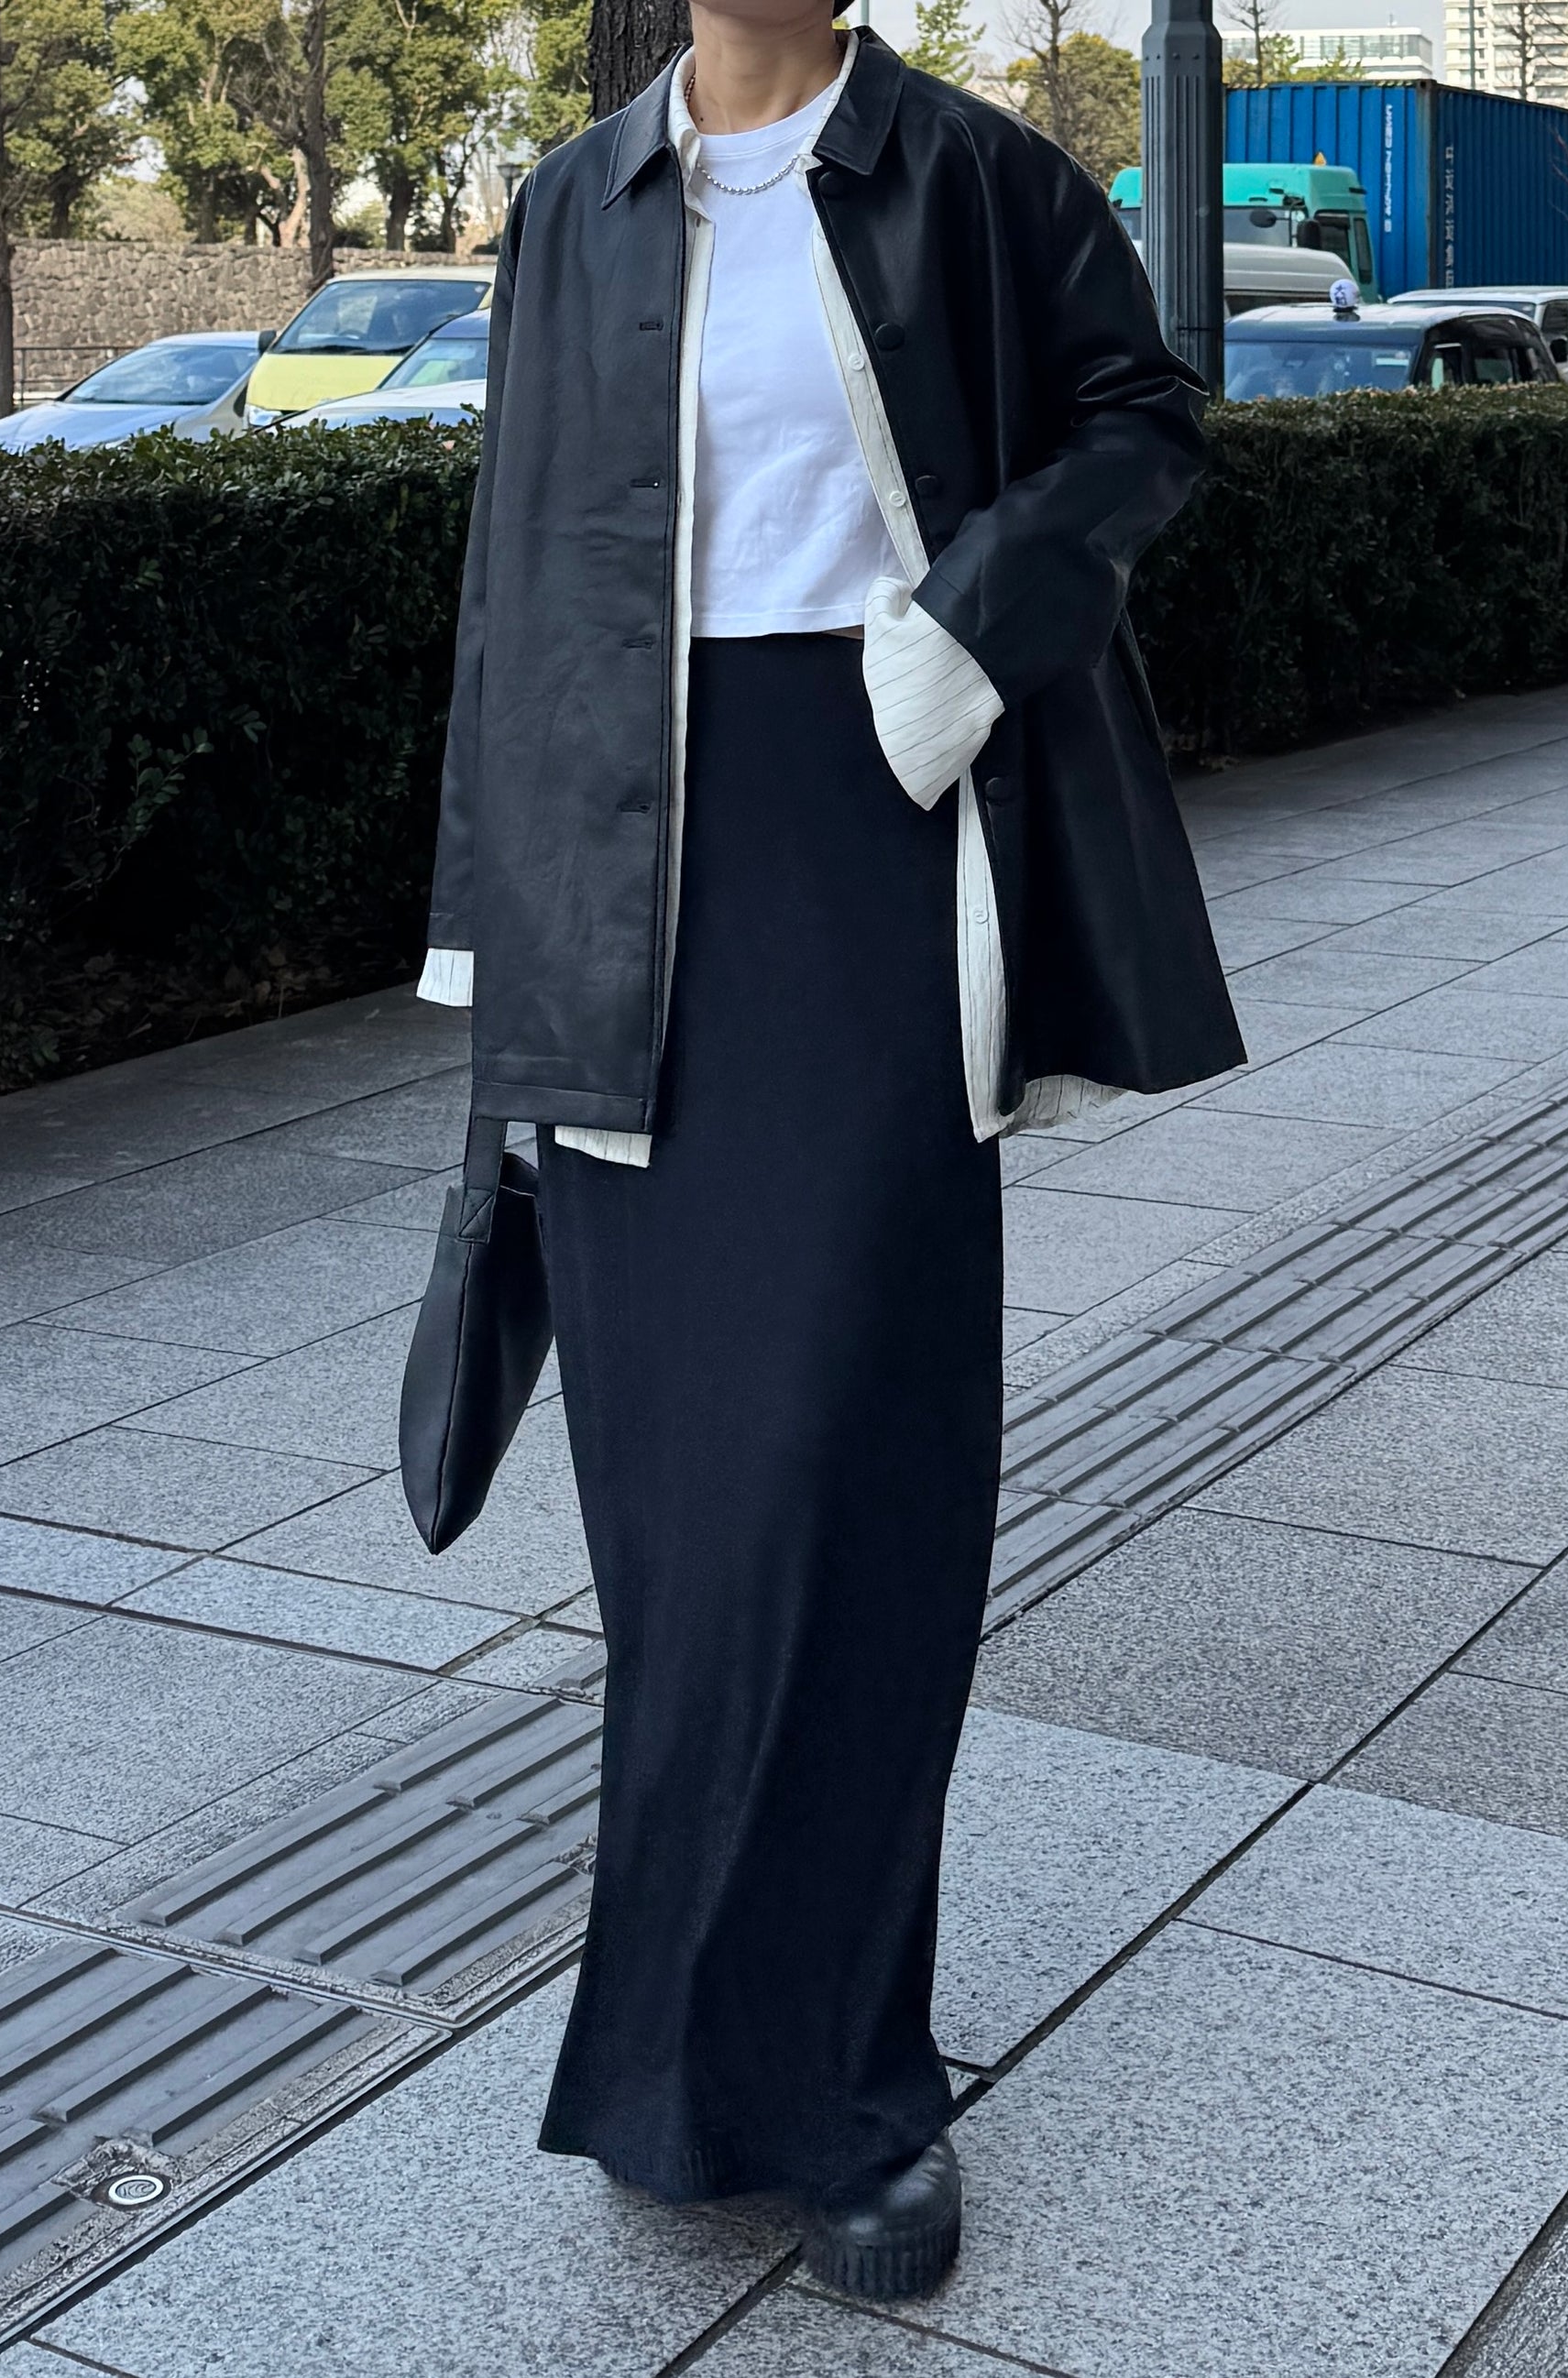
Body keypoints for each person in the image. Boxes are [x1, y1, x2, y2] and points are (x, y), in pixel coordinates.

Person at [417, 0, 1244, 2303]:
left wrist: (970, 624)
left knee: (846, 1472)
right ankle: (691, 2063)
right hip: (618, 874)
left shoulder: (970, 174)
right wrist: (492, 931)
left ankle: (857, 2083)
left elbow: (1143, 417)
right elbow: (514, 566)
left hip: (865, 827)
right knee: (679, 1521)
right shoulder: (569, 206)